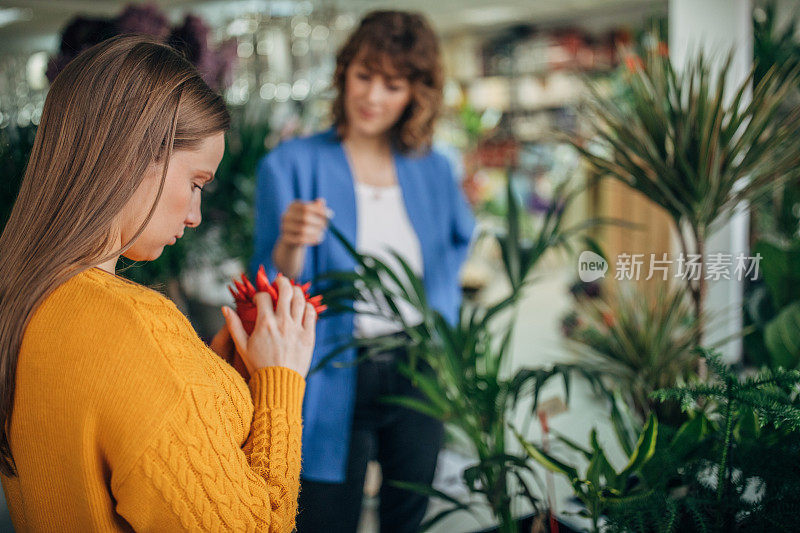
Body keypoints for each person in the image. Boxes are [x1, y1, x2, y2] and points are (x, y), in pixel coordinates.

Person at [0, 35, 316, 532]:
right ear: (133, 153)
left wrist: (204, 377)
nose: (194, 215)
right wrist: (282, 381)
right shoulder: (138, 327)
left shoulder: (24, 298)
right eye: (195, 183)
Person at [252, 10, 475, 532]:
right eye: (364, 76)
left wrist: (440, 317)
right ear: (344, 72)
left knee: (409, 512)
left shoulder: (435, 167)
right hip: (333, 367)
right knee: (323, 513)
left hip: (419, 363)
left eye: (392, 84)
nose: (373, 96)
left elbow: (460, 239)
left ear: (415, 93)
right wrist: (290, 242)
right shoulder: (289, 165)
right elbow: (269, 281)